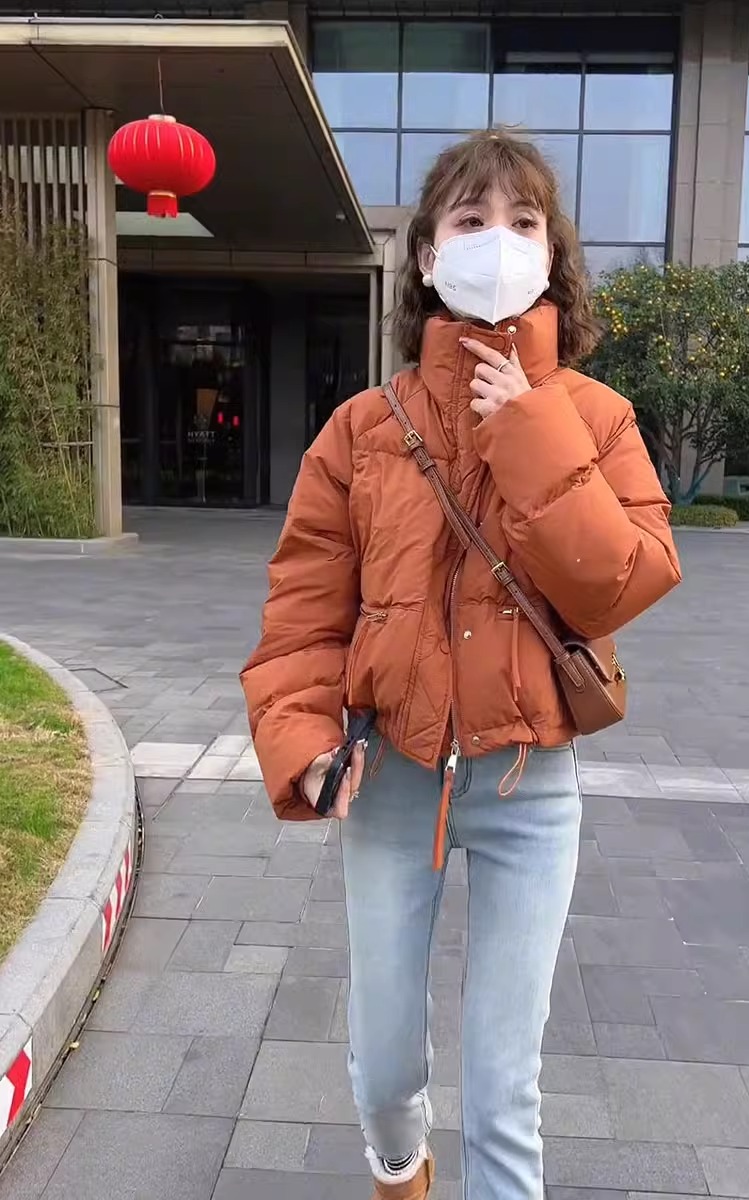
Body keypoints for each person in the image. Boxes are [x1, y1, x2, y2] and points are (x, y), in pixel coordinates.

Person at [241, 131, 681, 1200]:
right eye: (471, 220)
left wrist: (528, 429)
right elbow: (301, 616)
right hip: (392, 775)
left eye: (522, 222)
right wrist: (304, 743)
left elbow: (624, 581)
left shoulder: (596, 418)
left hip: (533, 783)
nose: (498, 242)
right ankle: (401, 1169)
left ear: (552, 253)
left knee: (503, 1084)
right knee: (386, 1067)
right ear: (429, 258)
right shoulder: (361, 431)